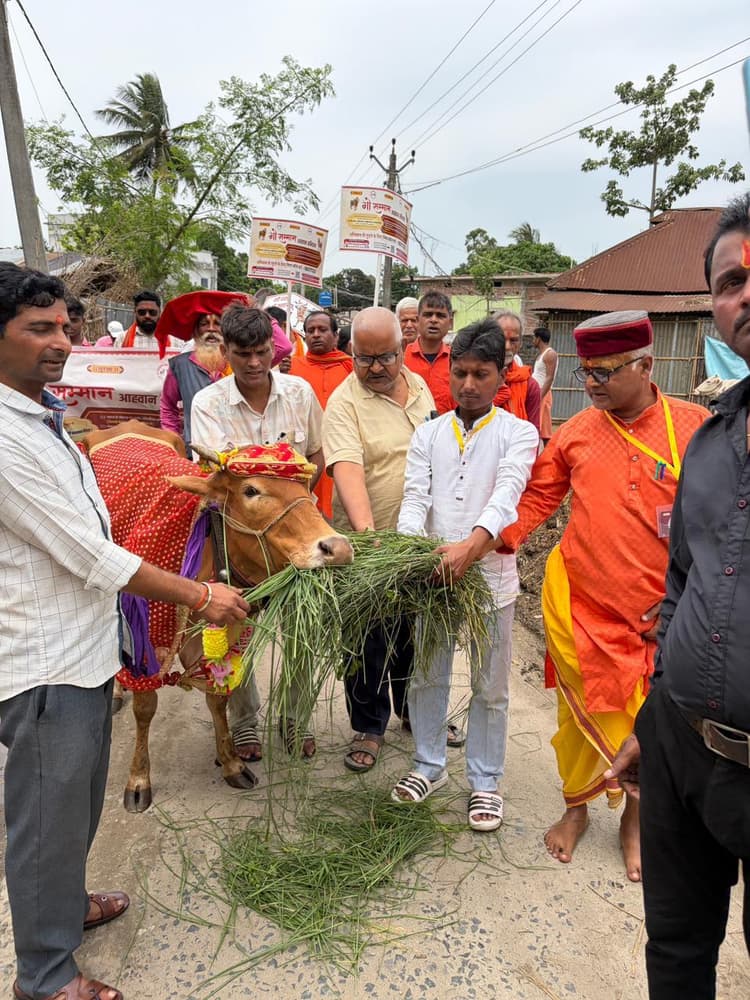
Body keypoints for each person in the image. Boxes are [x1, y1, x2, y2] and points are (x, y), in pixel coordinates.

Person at [0, 262, 249, 1000]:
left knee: (76, 804)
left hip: (84, 651)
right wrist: (198, 593)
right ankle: (46, 978)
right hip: (43, 661)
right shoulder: (5, 438)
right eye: (38, 329)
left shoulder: (43, 416)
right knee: (45, 819)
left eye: (64, 326)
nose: (60, 341)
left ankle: (66, 907)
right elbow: (90, 554)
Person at [499, 310, 708, 881]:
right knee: (576, 719)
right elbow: (538, 499)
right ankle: (576, 809)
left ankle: (634, 823)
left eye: (605, 372)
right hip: (579, 605)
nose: (591, 383)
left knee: (649, 722)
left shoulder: (695, 428)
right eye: (586, 371)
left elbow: (722, 524)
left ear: (646, 365)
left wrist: (685, 604)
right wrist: (488, 541)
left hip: (660, 617)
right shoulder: (577, 432)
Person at [606, 193, 750, 997]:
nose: (746, 294)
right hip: (681, 746)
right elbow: (684, 583)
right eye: (731, 282)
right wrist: (654, 719)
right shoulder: (710, 442)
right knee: (676, 949)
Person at [392, 319, 538, 830]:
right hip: (433, 578)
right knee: (427, 675)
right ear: (449, 372)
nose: (469, 385)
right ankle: (428, 765)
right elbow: (415, 498)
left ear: (502, 374)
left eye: (481, 374)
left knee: (490, 686)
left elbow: (507, 496)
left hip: (491, 582)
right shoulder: (428, 433)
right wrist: (413, 553)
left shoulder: (518, 434)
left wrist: (469, 550)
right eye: (461, 373)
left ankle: (485, 781)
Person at [191, 303, 324, 761]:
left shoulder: (300, 393)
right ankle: (245, 723)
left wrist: (296, 512)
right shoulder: (208, 404)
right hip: (236, 542)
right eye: (242, 353)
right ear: (224, 351)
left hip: (296, 537)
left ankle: (296, 718)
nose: (253, 363)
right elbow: (216, 481)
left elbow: (317, 455)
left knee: (302, 629)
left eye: (262, 351)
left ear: (275, 349)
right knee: (235, 628)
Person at [322, 306, 435, 771]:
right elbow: (347, 471)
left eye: (385, 357)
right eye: (364, 359)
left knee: (412, 633)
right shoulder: (343, 403)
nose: (375, 368)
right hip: (367, 548)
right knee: (366, 639)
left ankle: (411, 710)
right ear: (351, 353)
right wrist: (369, 540)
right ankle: (368, 725)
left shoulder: (420, 387)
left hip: (416, 543)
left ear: (403, 349)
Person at [157, 290, 258, 449]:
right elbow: (168, 407)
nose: (211, 329)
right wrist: (174, 442)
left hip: (240, 450)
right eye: (204, 324)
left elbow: (283, 347)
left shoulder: (241, 361)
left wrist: (252, 312)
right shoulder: (180, 366)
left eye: (217, 323)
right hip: (196, 452)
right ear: (196, 331)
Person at [290, 311, 353, 518]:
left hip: (341, 447)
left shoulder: (351, 367)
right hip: (306, 450)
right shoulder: (292, 367)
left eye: (322, 330)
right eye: (310, 331)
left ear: (335, 336)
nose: (316, 334)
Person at [403, 291, 454, 413]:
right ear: (417, 320)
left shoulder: (457, 361)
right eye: (428, 315)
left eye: (440, 316)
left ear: (450, 323)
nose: (434, 320)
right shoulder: (401, 358)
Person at [491, 310, 541, 433]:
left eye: (513, 340)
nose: (507, 346)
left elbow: (533, 432)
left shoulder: (530, 385)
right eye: (501, 339)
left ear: (520, 343)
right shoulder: (474, 378)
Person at [531, 327, 558, 445]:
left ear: (538, 338)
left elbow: (549, 377)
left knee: (542, 428)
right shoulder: (541, 355)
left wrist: (540, 396)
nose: (532, 340)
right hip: (538, 392)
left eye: (534, 338)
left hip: (543, 393)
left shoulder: (550, 354)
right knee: (540, 427)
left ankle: (548, 452)